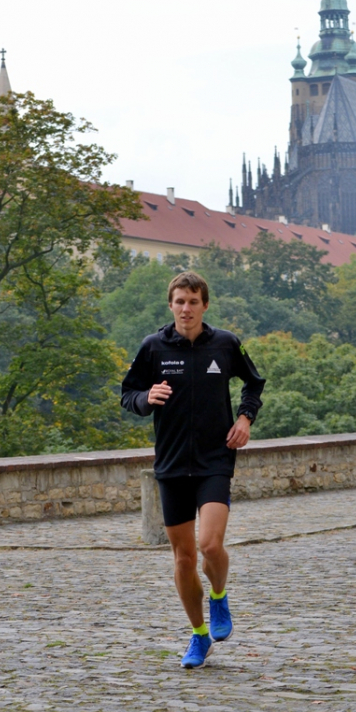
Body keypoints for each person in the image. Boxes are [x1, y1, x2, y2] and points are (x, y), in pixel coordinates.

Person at [121, 271, 265, 669]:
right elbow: (127, 394)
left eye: (193, 301)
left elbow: (253, 384)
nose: (186, 308)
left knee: (210, 546)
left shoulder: (225, 344)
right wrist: (146, 398)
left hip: (214, 460)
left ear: (205, 305)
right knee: (184, 558)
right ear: (171, 304)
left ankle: (219, 596)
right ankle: (199, 636)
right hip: (170, 465)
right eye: (179, 301)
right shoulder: (153, 347)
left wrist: (245, 419)